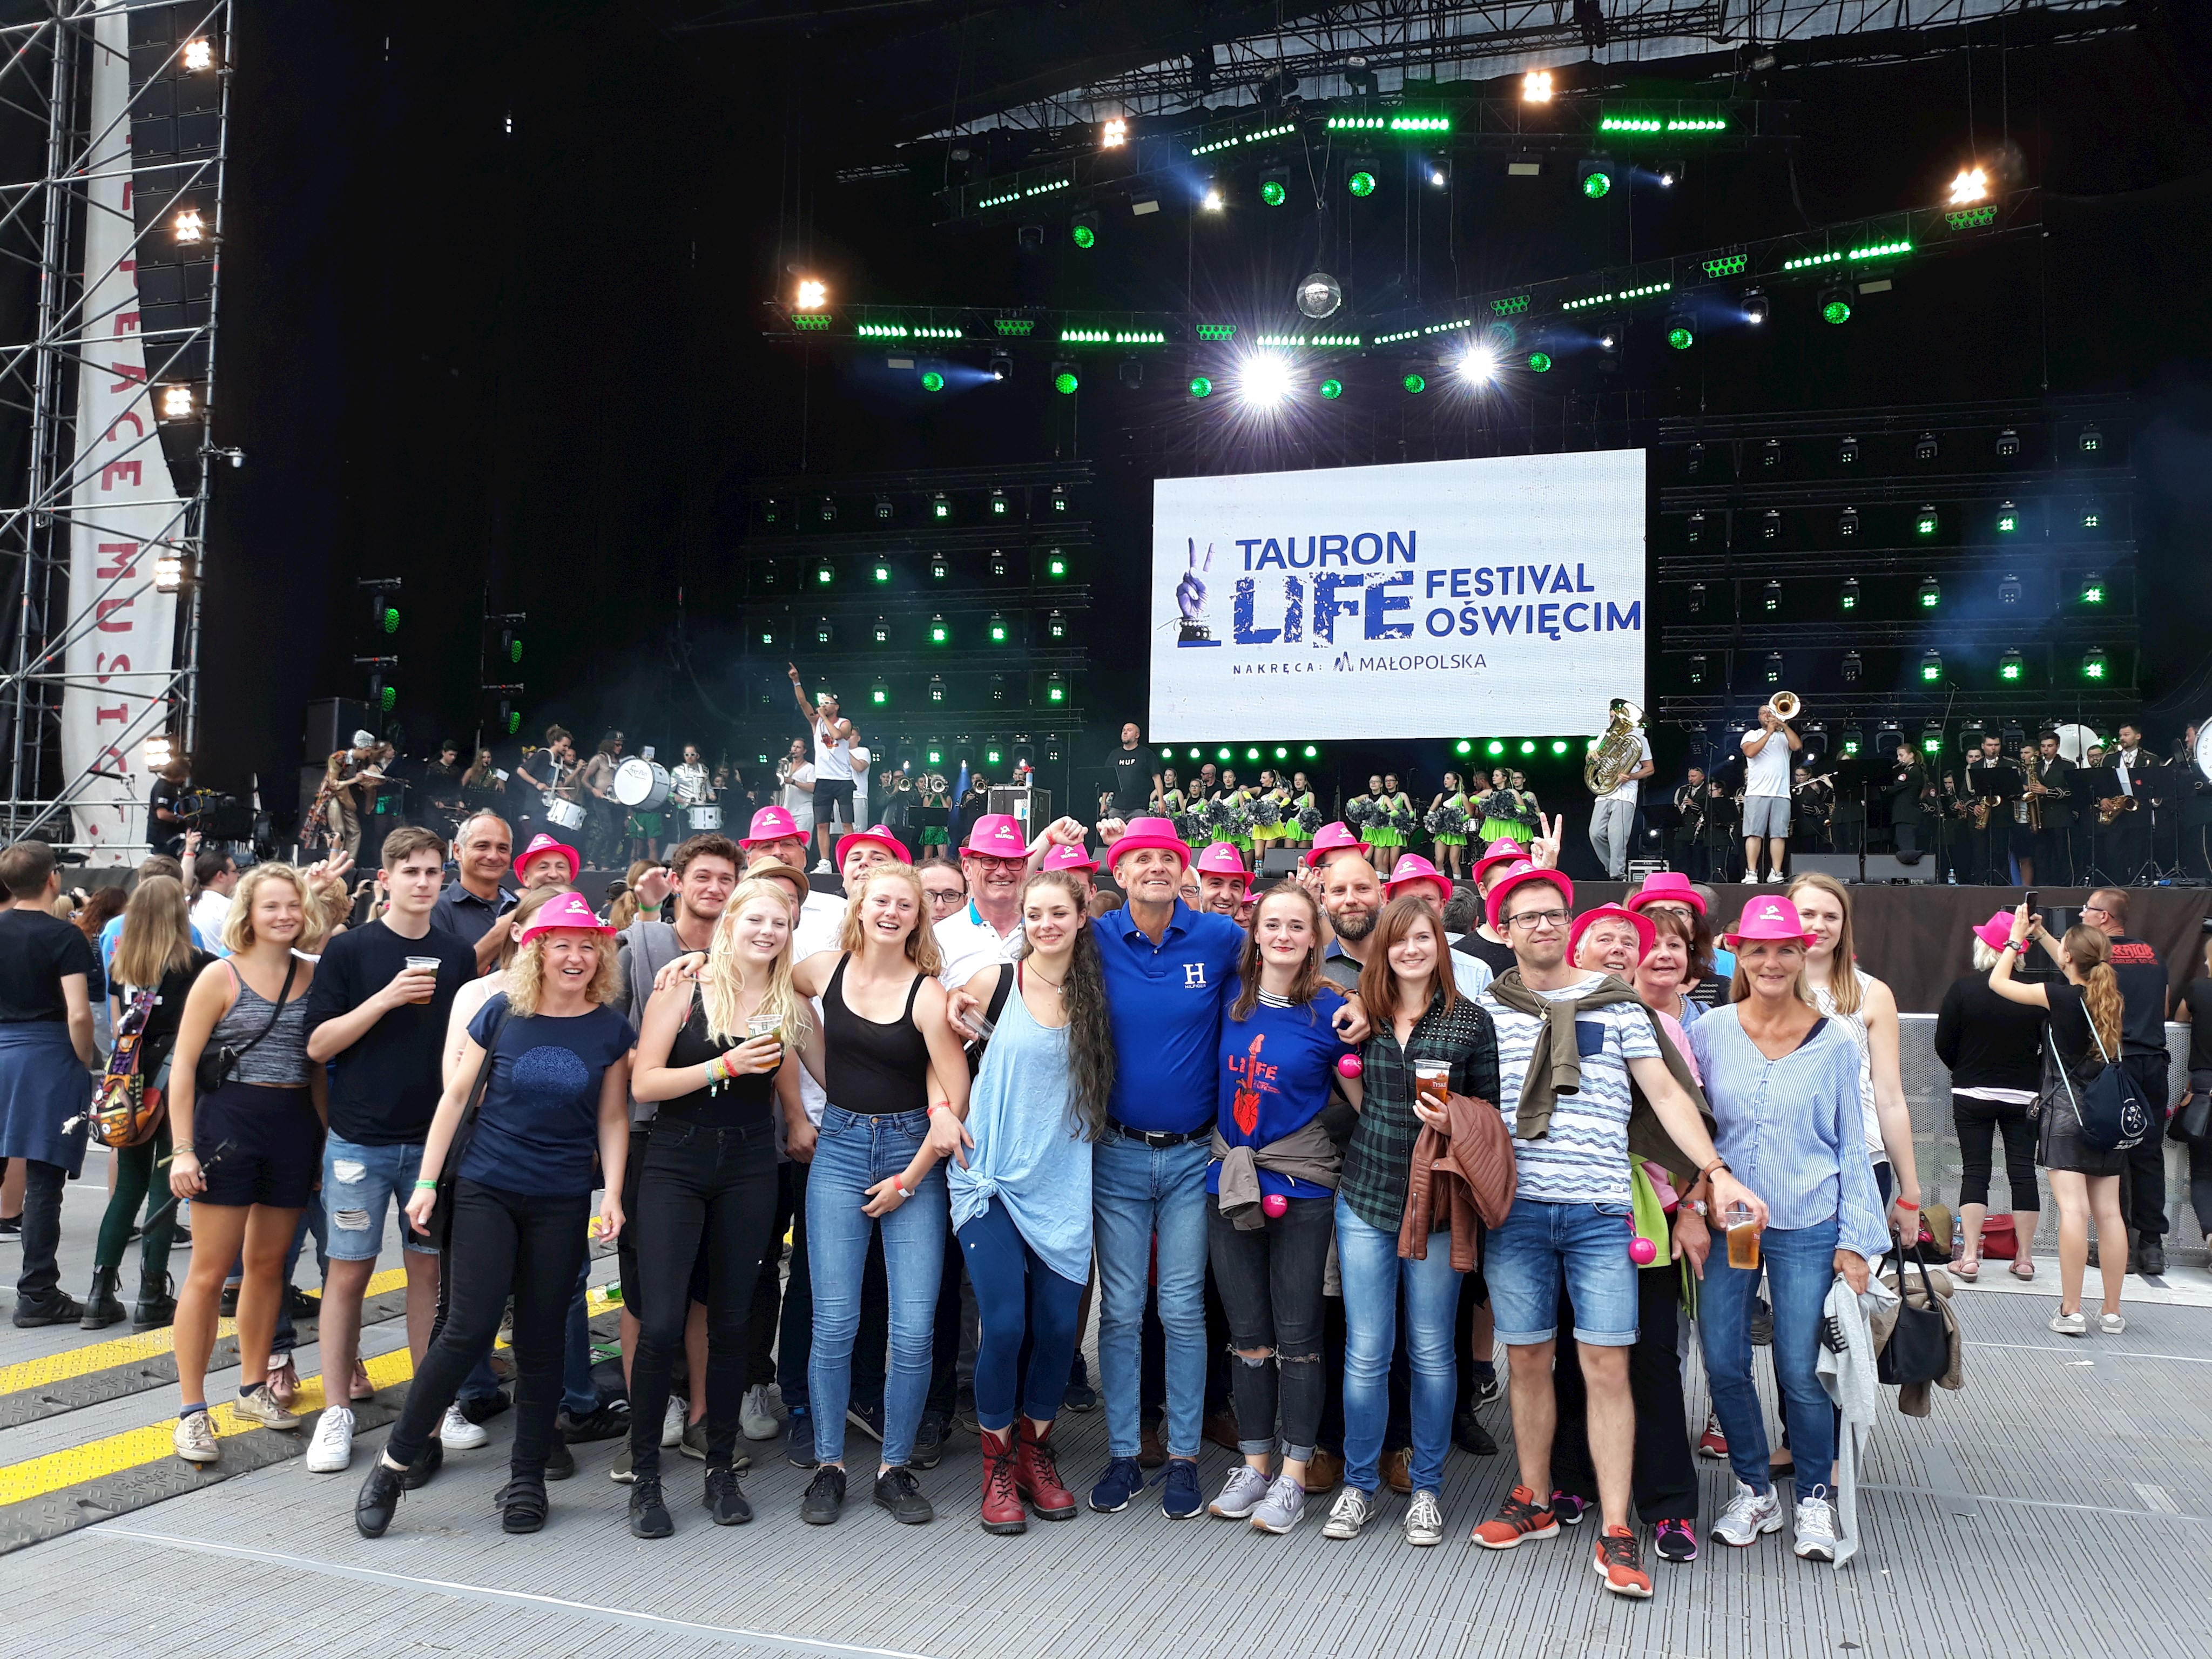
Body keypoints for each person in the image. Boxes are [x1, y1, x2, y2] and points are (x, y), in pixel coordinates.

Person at [1473, 864, 1763, 1600]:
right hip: (1517, 1214)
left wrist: (1713, 1171)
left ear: (1566, 924)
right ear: (1504, 930)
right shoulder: (1484, 1008)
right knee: (1530, 1361)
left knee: (1608, 1368)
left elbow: (1666, 1093)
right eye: (1525, 915)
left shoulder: (1620, 1004)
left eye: (1552, 913)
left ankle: (1615, 1525)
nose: (1540, 924)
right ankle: (1534, 1498)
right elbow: (1435, 1066)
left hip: (1603, 1214)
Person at [354, 891, 631, 1537]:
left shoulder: (611, 1028)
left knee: (540, 1340)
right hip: (487, 1188)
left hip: (562, 1197)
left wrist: (612, 1193)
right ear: (536, 950)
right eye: (561, 943)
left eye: (587, 945)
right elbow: (455, 1097)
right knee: (467, 1328)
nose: (575, 956)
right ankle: (393, 1467)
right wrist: (426, 1181)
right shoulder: (504, 1011)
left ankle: (527, 1477)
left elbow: (613, 1117)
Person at [1069, 818, 1276, 1521]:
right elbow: (1029, 966)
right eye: (1141, 859)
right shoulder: (1094, 939)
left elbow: (1282, 979)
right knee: (1122, 1313)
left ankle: (1184, 1458)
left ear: (1182, 872)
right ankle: (1127, 1454)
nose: (1155, 867)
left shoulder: (1218, 938)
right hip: (1118, 1153)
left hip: (1194, 1155)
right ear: (1119, 874)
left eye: (1167, 857)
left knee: (1183, 1310)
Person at [1688, 894, 1889, 1563]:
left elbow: (1851, 1147)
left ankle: (1812, 1497)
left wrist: (1857, 1240)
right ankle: (1753, 1488)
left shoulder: (1834, 1040)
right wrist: (1693, 1202)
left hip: (1809, 1219)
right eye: (1757, 950)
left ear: (1804, 955)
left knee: (1802, 1369)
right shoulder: (1709, 1031)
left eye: (1784, 950)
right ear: (1736, 954)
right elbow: (1691, 1132)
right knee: (1722, 1358)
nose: (1771, 962)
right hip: (1735, 1223)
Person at [787, 863, 973, 1526]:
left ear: (918, 917)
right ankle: (830, 1465)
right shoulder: (821, 970)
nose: (892, 912)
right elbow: (764, 984)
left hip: (910, 1157)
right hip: (838, 1147)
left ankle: (894, 1468)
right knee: (834, 1323)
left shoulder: (928, 996)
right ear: (859, 906)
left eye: (906, 905)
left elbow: (953, 1099)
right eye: (881, 901)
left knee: (913, 1328)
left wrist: (909, 1180)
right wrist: (691, 966)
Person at [623, 876, 809, 1534]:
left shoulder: (785, 991)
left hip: (750, 1161)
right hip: (676, 1154)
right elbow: (644, 1081)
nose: (767, 931)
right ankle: (646, 1480)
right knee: (665, 1321)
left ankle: (720, 1467)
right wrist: (720, 1070)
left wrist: (794, 1116)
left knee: (734, 1321)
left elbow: (783, 1059)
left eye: (780, 923)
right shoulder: (684, 984)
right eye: (755, 919)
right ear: (730, 921)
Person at [298, 827, 478, 1473]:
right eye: (412, 872)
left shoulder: (456, 955)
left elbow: (468, 1053)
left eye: (434, 872)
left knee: (429, 1276)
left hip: (432, 1144)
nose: (425, 882)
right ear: (386, 879)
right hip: (360, 1142)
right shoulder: (349, 951)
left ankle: (429, 1409)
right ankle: (336, 1411)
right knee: (347, 1273)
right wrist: (386, 997)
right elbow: (318, 1045)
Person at [1323, 893, 1496, 1547]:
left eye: (1423, 938)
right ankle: (1358, 1485)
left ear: (1440, 945)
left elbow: (1491, 1119)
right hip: (1366, 1197)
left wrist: (1457, 1122)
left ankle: (1425, 1488)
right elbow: (1349, 1093)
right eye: (1400, 940)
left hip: (1438, 1205)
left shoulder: (1469, 1024)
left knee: (1429, 1352)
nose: (1411, 949)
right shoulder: (1360, 1014)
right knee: (1366, 1351)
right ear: (1384, 948)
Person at [952, 869, 1111, 1534]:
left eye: (1058, 913)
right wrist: (941, 1109)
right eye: (1035, 914)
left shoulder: (1102, 991)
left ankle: (1033, 1454)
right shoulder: (995, 981)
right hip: (989, 1177)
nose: (1046, 924)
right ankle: (994, 1465)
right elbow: (928, 1027)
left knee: (1056, 1330)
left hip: (1063, 1180)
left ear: (1081, 917)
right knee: (1007, 1325)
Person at [1554, 901, 1706, 1566]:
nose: (1619, 949)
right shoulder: (1544, 1015)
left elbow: (1695, 1120)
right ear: (1577, 950)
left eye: (1629, 940)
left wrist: (1694, 1202)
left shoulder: (1664, 1030)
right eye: (1604, 938)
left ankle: (1668, 1504)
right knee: (1571, 1354)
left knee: (1650, 1358)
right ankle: (1574, 1479)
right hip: (1564, 1210)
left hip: (1646, 1214)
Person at [1201, 884, 1354, 1536]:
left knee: (1299, 1340)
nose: (1285, 935)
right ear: (1255, 933)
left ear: (1314, 937)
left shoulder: (1335, 1011)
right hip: (1227, 1185)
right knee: (1248, 1338)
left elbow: (1363, 1099)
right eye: (1274, 925)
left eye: (1298, 925)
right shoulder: (1224, 1001)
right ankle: (1254, 1465)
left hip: (1303, 1192)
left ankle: (1295, 1474)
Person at [165, 864, 327, 1463]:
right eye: (271, 907)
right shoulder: (220, 975)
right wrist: (183, 1150)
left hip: (292, 1129)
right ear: (249, 914)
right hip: (228, 1126)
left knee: (268, 1267)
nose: (284, 916)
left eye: (292, 906)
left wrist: (325, 1140)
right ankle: (190, 1411)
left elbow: (315, 1070)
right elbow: (182, 1068)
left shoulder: (315, 975)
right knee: (210, 1273)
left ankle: (253, 1388)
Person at [1987, 907, 2132, 1336]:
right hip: (2107, 1117)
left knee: (2073, 1210)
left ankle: (2071, 1310)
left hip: (2067, 1116)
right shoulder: (2108, 996)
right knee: (2109, 1214)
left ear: (2068, 957)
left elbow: (1998, 982)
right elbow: (2077, 966)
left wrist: (2016, 939)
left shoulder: (2060, 996)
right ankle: (2112, 1311)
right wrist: (2047, 934)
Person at [83, 875, 211, 1330]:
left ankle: (99, 1294)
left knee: (127, 1189)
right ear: (180, 914)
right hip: (176, 1081)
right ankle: (152, 1293)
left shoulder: (123, 964)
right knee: (164, 1185)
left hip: (127, 1083)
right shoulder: (200, 966)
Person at [1786, 872, 1925, 1237]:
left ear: (1844, 926)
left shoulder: (1873, 993)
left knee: (1848, 1290)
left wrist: (1910, 1192)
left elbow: (1890, 1097)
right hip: (1780, 1164)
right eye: (1808, 914)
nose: (1819, 925)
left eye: (1831, 917)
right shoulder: (1763, 987)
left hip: (1860, 1163)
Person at [0, 839, 99, 1326]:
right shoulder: (66, 937)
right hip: (46, 1056)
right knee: (43, 1181)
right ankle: (37, 1293)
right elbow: (79, 1012)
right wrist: (84, 1061)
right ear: (53, 878)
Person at [1936, 912, 2047, 1281]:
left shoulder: (1963, 990)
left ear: (1984, 947)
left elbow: (1943, 1044)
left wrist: (1965, 1069)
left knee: (1975, 1171)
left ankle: (1969, 1256)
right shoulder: (2036, 992)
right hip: (2023, 1095)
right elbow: (2048, 1047)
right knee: (2023, 1173)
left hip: (1971, 1091)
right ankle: (2026, 1257)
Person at [2077, 888, 2171, 1272]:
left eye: (2087, 909)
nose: (2082, 914)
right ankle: (2151, 1246)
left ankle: (2121, 1248)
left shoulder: (2098, 959)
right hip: (2153, 1061)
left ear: (2104, 918)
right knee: (2148, 1153)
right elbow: (2163, 1008)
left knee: (2111, 1153)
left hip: (2118, 1065)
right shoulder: (2154, 955)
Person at [788, 666, 856, 871]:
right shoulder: (816, 722)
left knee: (847, 824)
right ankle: (825, 862)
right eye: (823, 702)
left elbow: (837, 735)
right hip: (824, 780)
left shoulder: (845, 723)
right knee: (822, 823)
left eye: (828, 703)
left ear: (836, 706)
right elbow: (803, 703)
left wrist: (824, 717)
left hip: (843, 780)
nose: (823, 705)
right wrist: (796, 681)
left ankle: (851, 858)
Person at [1739, 700, 1799, 882]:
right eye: (1764, 713)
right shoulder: (1752, 734)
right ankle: (1751, 872)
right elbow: (1750, 752)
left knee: (1779, 834)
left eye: (1770, 712)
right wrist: (1769, 732)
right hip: (1757, 792)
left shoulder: (1784, 736)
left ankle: (1776, 872)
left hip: (1781, 793)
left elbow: (1797, 746)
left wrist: (1783, 725)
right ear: (1758, 718)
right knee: (1754, 833)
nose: (1767, 715)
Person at [1588, 721, 1654, 881]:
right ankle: (1612, 867)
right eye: (1612, 717)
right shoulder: (1605, 734)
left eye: (1616, 717)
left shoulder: (1639, 739)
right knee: (1595, 833)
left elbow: (1650, 769)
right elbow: (1590, 760)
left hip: (1625, 793)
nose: (1613, 721)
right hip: (1605, 790)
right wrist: (1591, 754)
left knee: (1617, 836)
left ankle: (1617, 875)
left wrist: (1631, 776)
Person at [1103, 722, 1158, 820]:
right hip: (1117, 807)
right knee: (1114, 834)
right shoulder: (1115, 754)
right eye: (1123, 730)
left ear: (1137, 735)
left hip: (1138, 808)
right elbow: (1107, 779)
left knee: (1137, 835)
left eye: (1129, 730)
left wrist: (1161, 800)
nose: (1125, 733)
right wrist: (1104, 802)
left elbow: (1156, 777)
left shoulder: (1146, 753)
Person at [1428, 772, 1473, 880]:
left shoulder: (1461, 796)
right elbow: (1430, 811)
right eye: (1444, 779)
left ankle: (1458, 885)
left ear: (1455, 781)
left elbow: (1470, 814)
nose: (1445, 781)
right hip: (1442, 832)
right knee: (1439, 859)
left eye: (1448, 778)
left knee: (1454, 861)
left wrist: (1458, 821)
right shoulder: (1440, 796)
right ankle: (1440, 882)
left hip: (1455, 832)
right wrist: (1436, 819)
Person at [189, 848, 239, 945]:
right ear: (220, 876)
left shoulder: (189, 903)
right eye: (234, 871)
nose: (238, 875)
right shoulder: (229, 908)